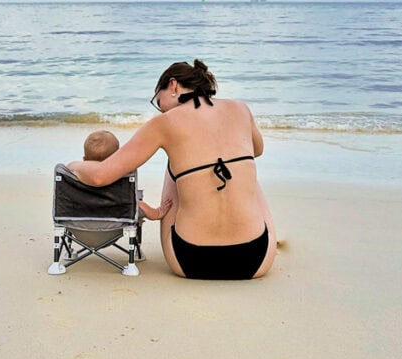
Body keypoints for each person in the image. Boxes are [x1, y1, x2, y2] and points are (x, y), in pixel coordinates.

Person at [69, 61, 276, 279]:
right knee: (242, 170)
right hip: (255, 259)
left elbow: (101, 176)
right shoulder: (240, 108)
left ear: (173, 85)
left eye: (159, 102)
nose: (161, 110)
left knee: (175, 165)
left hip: (190, 260)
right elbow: (257, 150)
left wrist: (74, 165)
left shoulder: (164, 123)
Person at [80, 129, 172, 222]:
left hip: (82, 217)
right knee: (139, 204)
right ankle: (157, 213)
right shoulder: (121, 174)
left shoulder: (78, 174)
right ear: (116, 157)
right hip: (117, 217)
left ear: (84, 159)